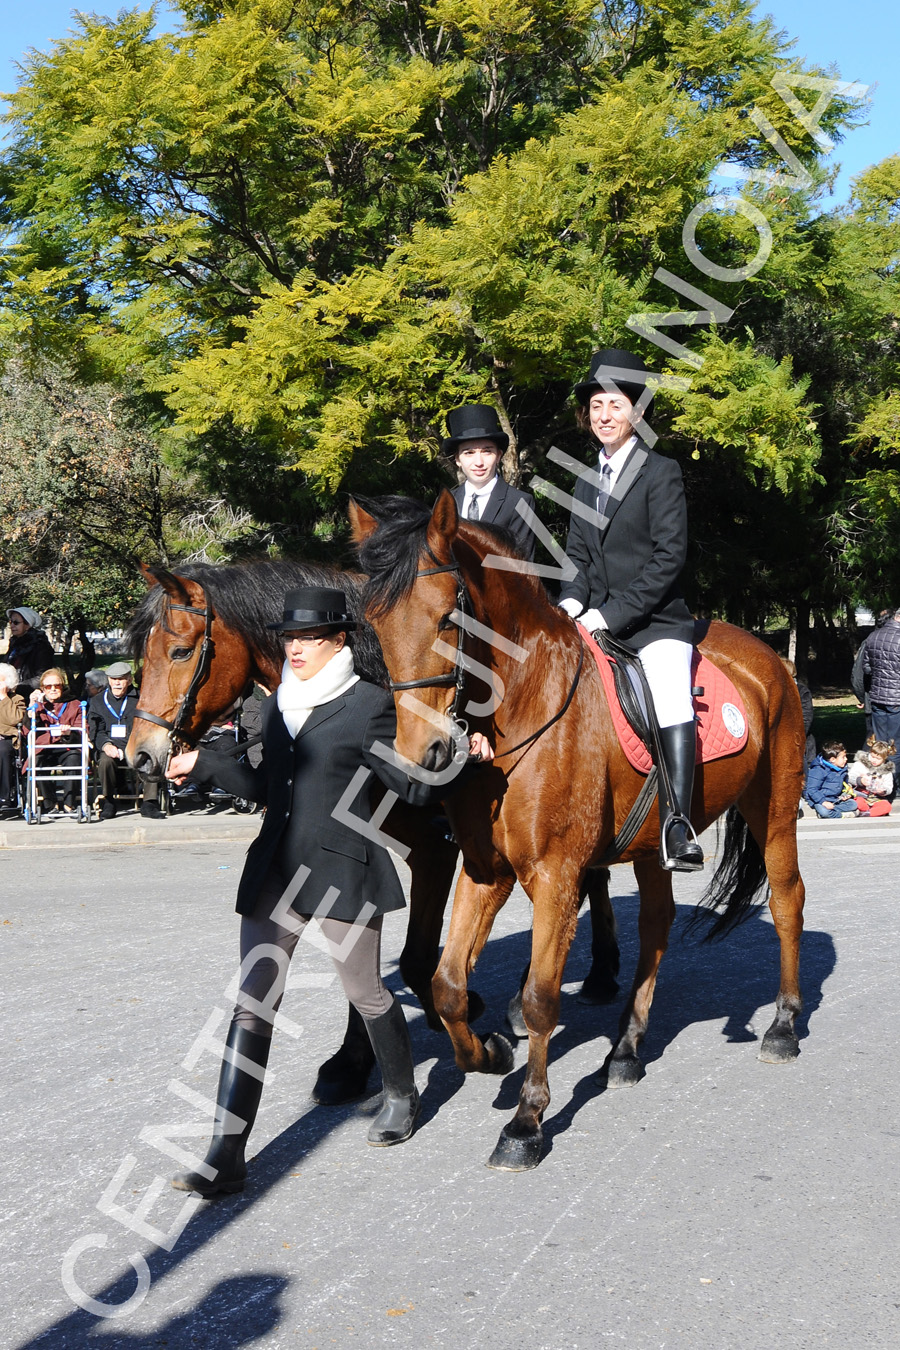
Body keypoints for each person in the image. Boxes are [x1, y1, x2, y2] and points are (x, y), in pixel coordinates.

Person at [164, 585, 492, 1197]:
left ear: (338, 640)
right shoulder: (277, 706)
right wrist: (203, 765)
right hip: (275, 871)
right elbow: (265, 786)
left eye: (307, 638)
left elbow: (413, 787)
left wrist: (463, 759)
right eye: (288, 638)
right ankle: (226, 1153)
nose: (294, 648)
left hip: (344, 869)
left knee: (367, 992)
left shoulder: (369, 704)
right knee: (252, 1003)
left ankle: (400, 1092)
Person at [557, 347, 702, 870]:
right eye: (596, 405)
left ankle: (678, 824)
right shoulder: (583, 479)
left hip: (656, 623)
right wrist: (572, 601)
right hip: (593, 618)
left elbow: (668, 558)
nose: (604, 414)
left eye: (615, 404)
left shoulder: (660, 471)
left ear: (636, 411)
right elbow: (576, 557)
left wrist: (609, 615)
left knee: (669, 695)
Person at [443, 404, 536, 560]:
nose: (479, 462)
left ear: (499, 455)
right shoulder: (447, 503)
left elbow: (522, 566)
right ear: (458, 459)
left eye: (487, 451)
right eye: (469, 453)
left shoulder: (519, 503)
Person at [88, 661, 164, 819]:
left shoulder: (141, 699)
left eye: (121, 679)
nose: (117, 682)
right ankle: (109, 800)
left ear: (129, 680)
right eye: (113, 678)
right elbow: (97, 730)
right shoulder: (97, 701)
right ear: (108, 680)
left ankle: (149, 802)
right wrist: (106, 745)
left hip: (136, 746)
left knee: (152, 756)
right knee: (105, 761)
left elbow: (148, 727)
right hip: (111, 748)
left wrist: (138, 744)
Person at [25, 668, 84, 815]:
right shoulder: (37, 705)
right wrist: (31, 707)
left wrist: (69, 732)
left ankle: (70, 804)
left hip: (67, 745)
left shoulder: (74, 704)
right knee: (36, 762)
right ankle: (50, 803)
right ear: (42, 689)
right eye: (48, 686)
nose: (52, 689)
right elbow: (27, 730)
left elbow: (82, 729)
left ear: (62, 686)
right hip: (45, 746)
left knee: (75, 760)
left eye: (56, 686)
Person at [860, 608, 900, 746]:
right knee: (895, 743)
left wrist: (881, 672)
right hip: (896, 698)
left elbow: (866, 668)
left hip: (877, 697)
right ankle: (894, 768)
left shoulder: (873, 636)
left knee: (880, 742)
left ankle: (881, 767)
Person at [5, 607, 55, 695]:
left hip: (29, 696)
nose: (12, 625)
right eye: (11, 622)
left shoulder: (40, 645)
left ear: (27, 625)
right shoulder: (15, 643)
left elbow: (42, 676)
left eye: (16, 622)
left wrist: (16, 687)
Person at [804, 740, 857, 819]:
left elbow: (843, 785)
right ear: (833, 759)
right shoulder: (818, 770)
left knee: (853, 804)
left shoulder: (842, 769)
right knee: (824, 812)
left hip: (835, 799)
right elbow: (812, 789)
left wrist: (845, 794)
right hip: (820, 800)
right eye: (843, 757)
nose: (846, 759)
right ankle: (841, 815)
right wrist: (823, 802)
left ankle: (833, 811)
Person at [0, 663, 26, 816]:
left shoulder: (16, 699)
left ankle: (3, 797)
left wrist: (3, 698)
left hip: (7, 740)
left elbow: (14, 719)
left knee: (2, 750)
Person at [847, 736, 894, 816]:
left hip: (876, 798)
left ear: (884, 759)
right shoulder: (860, 764)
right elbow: (850, 777)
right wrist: (860, 780)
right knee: (857, 802)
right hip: (860, 795)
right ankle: (868, 811)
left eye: (878, 759)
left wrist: (883, 791)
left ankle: (866, 813)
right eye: (872, 757)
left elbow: (889, 787)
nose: (874, 760)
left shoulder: (886, 771)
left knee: (887, 806)